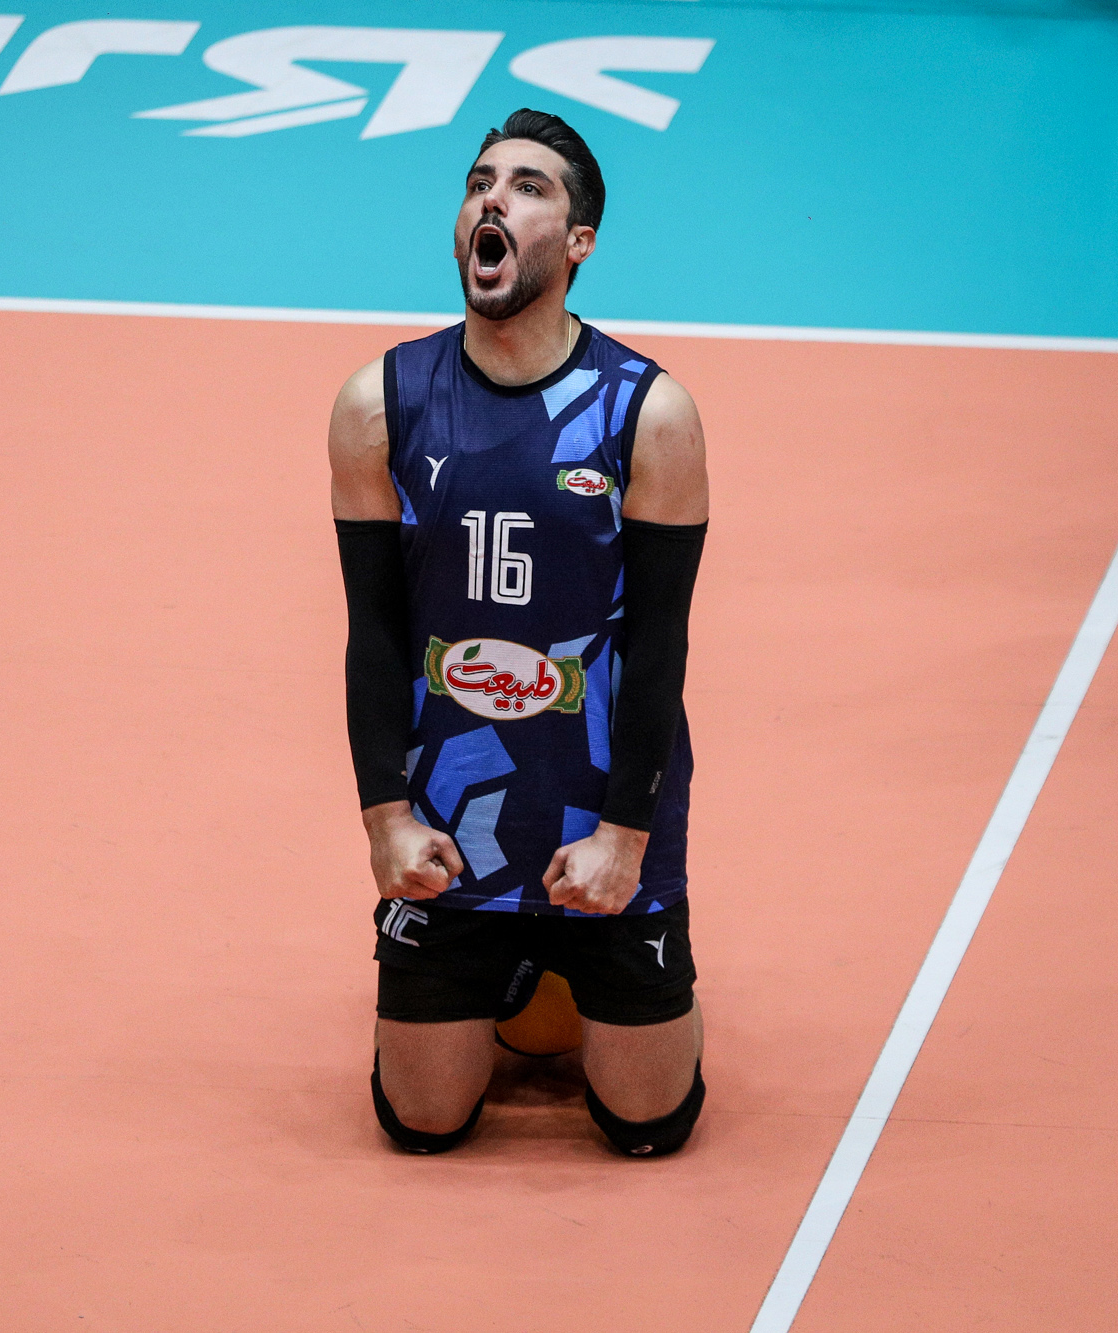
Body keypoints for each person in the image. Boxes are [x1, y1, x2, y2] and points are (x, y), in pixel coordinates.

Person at [328, 108, 710, 1157]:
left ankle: (562, 970)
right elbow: (374, 632)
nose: (490, 197)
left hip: (599, 822)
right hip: (453, 828)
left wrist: (625, 839)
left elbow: (659, 649)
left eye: (527, 186)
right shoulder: (380, 403)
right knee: (422, 1123)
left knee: (647, 1126)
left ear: (578, 241)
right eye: (478, 182)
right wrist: (385, 821)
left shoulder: (648, 413)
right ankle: (513, 973)